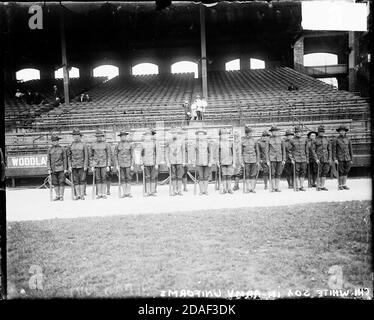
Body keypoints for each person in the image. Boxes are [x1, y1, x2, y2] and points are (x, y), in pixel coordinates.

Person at [289, 126, 317, 191]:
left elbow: (306, 150)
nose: (298, 133)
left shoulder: (304, 140)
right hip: (296, 159)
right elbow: (289, 151)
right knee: (296, 173)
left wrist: (307, 159)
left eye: (299, 132)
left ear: (301, 133)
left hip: (303, 159)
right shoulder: (292, 140)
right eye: (297, 132)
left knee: (303, 172)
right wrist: (292, 159)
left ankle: (301, 186)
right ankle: (297, 186)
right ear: (295, 133)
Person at [67, 129, 89, 200]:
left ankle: (82, 194)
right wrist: (70, 166)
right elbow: (69, 156)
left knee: (82, 180)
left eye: (77, 135)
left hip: (82, 165)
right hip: (74, 166)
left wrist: (85, 165)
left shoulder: (84, 145)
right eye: (74, 136)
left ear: (80, 136)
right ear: (73, 137)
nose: (76, 137)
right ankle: (77, 195)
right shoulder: (70, 145)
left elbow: (86, 156)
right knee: (75, 181)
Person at [90, 129, 112, 199]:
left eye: (100, 136)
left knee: (104, 178)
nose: (99, 138)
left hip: (104, 164)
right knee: (98, 179)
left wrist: (108, 165)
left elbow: (109, 155)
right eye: (98, 136)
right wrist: (92, 165)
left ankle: (104, 193)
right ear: (96, 137)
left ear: (102, 137)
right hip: (96, 164)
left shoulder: (106, 144)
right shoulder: (93, 144)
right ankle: (99, 193)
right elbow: (91, 156)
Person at [47, 134, 68, 201]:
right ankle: (57, 195)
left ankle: (61, 196)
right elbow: (48, 160)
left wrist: (65, 168)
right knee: (55, 182)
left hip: (61, 168)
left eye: (56, 141)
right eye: (53, 141)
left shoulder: (62, 149)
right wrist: (49, 169)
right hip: (53, 168)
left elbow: (65, 159)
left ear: (58, 141)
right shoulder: (49, 149)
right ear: (52, 142)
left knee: (61, 182)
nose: (55, 142)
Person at [332, 125, 353, 190]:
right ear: (339, 132)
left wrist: (351, 159)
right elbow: (334, 150)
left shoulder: (348, 139)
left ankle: (344, 184)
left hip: (347, 158)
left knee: (346, 171)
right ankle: (340, 185)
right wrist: (335, 158)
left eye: (343, 131)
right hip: (339, 158)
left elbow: (350, 150)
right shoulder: (336, 139)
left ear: (345, 132)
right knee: (340, 172)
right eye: (341, 131)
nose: (342, 132)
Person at [166, 128, 186, 196]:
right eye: (173, 133)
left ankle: (179, 190)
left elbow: (183, 151)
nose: (174, 134)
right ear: (171, 134)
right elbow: (167, 152)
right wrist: (167, 162)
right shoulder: (168, 141)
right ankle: (174, 190)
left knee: (180, 176)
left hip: (179, 161)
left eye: (175, 133)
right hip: (172, 161)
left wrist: (183, 161)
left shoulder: (181, 141)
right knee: (173, 177)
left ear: (177, 133)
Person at [114, 131, 134, 198]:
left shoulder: (130, 145)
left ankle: (128, 192)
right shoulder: (117, 145)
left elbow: (132, 155)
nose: (123, 137)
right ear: (120, 137)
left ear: (126, 137)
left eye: (124, 136)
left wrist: (132, 165)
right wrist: (117, 165)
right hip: (121, 164)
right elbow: (115, 155)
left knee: (128, 178)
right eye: (122, 136)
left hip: (128, 164)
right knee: (122, 178)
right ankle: (124, 193)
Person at [240, 125, 260, 193]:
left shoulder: (254, 141)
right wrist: (242, 161)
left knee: (253, 174)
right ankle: (248, 188)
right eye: (248, 133)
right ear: (246, 134)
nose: (250, 134)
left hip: (254, 159)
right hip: (246, 159)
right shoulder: (243, 141)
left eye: (251, 133)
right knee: (247, 174)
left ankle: (252, 188)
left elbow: (257, 151)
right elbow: (241, 152)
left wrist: (258, 161)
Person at [195, 129, 213, 195]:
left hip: (207, 162)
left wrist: (210, 161)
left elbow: (210, 152)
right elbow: (194, 153)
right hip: (199, 162)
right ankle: (200, 191)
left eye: (202, 135)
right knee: (200, 177)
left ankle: (205, 190)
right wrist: (194, 162)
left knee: (206, 177)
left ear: (204, 136)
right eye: (199, 135)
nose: (200, 136)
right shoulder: (196, 143)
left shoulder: (208, 143)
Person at [140, 129, 158, 196]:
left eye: (149, 135)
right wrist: (141, 163)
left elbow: (156, 154)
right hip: (146, 163)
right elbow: (141, 154)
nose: (148, 136)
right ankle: (148, 191)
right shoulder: (143, 144)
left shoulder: (154, 144)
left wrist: (156, 163)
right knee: (147, 178)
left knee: (153, 177)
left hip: (153, 162)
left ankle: (152, 191)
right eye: (147, 135)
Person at [218, 128, 236, 194]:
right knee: (224, 175)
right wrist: (217, 161)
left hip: (229, 161)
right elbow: (217, 153)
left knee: (229, 175)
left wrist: (234, 162)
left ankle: (229, 189)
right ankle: (224, 189)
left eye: (226, 135)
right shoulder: (219, 143)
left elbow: (234, 153)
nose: (224, 136)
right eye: (223, 135)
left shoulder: (231, 143)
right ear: (220, 136)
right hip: (222, 162)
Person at [268, 125, 286, 192]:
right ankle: (272, 187)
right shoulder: (268, 139)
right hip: (272, 158)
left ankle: (277, 187)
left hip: (279, 158)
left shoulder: (281, 139)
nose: (274, 132)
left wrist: (284, 159)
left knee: (278, 173)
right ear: (271, 132)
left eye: (276, 131)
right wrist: (267, 160)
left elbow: (283, 150)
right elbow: (267, 151)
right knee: (272, 173)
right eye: (273, 131)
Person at [314, 125, 332, 191]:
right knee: (319, 172)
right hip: (319, 158)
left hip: (326, 158)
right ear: (318, 132)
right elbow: (313, 150)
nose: (321, 133)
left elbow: (329, 150)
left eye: (322, 132)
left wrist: (330, 158)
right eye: (320, 132)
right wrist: (316, 158)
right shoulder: (315, 140)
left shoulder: (327, 139)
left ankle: (322, 186)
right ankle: (318, 186)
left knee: (325, 172)